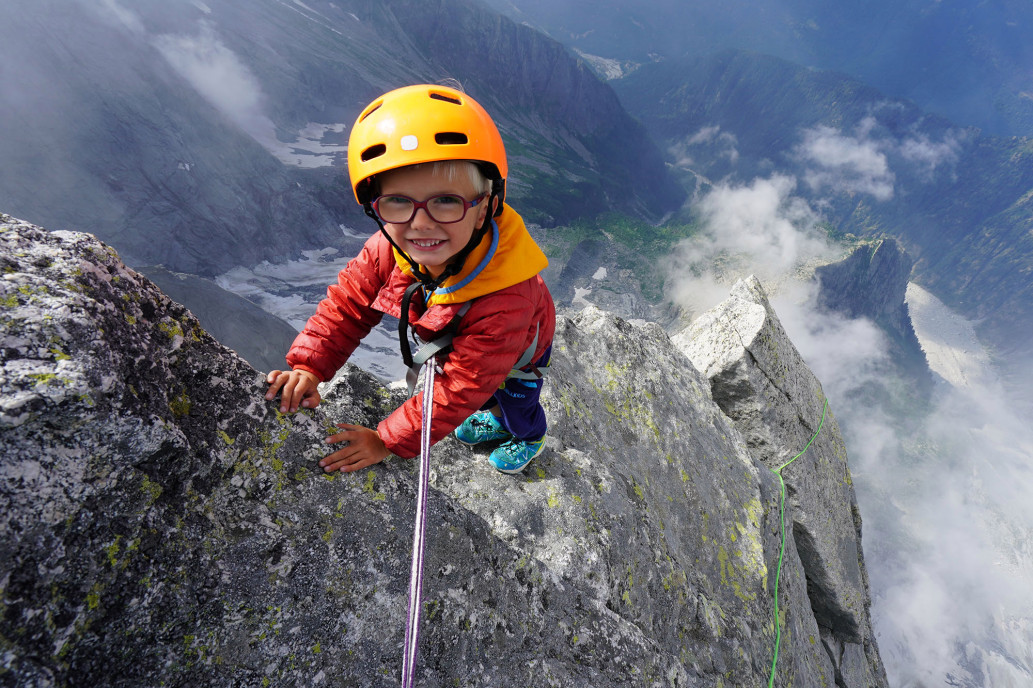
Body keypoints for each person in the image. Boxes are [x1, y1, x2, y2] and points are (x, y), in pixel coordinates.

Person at [264, 83, 555, 475]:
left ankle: (528, 435)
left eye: (446, 200)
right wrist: (308, 366)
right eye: (398, 201)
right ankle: (497, 416)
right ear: (377, 207)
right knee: (486, 398)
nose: (420, 223)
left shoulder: (507, 299)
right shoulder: (390, 249)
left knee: (517, 400)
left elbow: (461, 387)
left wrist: (387, 440)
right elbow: (347, 306)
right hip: (469, 343)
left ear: (485, 204)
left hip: (522, 349)